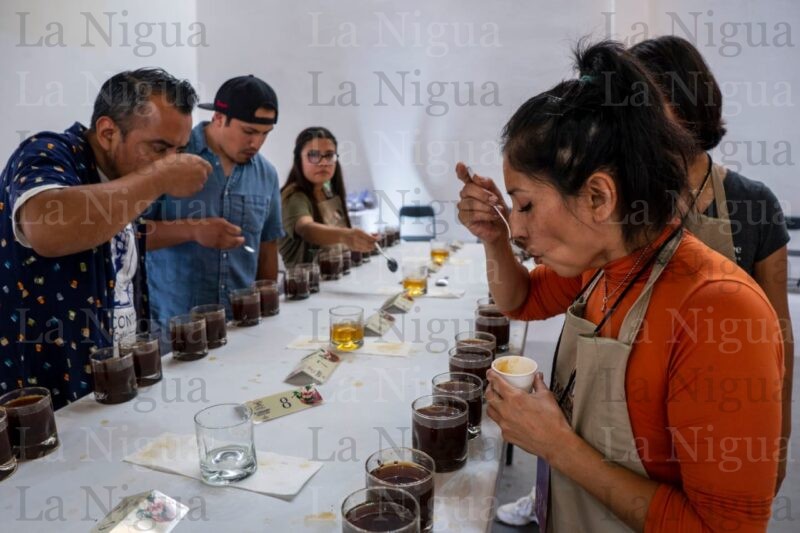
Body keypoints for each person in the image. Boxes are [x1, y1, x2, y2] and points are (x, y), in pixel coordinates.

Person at [458, 41, 783, 532]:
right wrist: (493, 238)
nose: (517, 229)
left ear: (598, 197)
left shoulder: (720, 312)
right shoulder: (601, 265)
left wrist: (556, 445)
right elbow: (520, 301)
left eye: (525, 205)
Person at [631, 35, 793, 492]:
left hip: (724, 412)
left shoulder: (753, 203)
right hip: (633, 414)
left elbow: (779, 336)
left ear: (687, 103)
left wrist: (778, 444)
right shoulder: (625, 201)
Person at [0, 68, 209, 409]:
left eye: (178, 150)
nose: (170, 160)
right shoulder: (47, 151)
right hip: (46, 395)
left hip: (114, 377)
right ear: (108, 132)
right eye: (159, 148)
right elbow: (45, 228)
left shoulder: (126, 175)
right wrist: (160, 176)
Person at [144, 75, 284, 323]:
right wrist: (192, 230)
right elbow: (131, 237)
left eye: (266, 134)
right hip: (176, 326)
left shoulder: (267, 175)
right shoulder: (170, 158)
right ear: (218, 118)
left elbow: (267, 247)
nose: (256, 143)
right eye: (249, 131)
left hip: (242, 324)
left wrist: (267, 315)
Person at [279, 127, 376, 267]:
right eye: (313, 155)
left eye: (329, 155)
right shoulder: (294, 196)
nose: (323, 162)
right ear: (299, 160)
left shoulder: (328, 192)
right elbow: (306, 229)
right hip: (307, 280)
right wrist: (346, 235)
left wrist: (362, 241)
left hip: (338, 276)